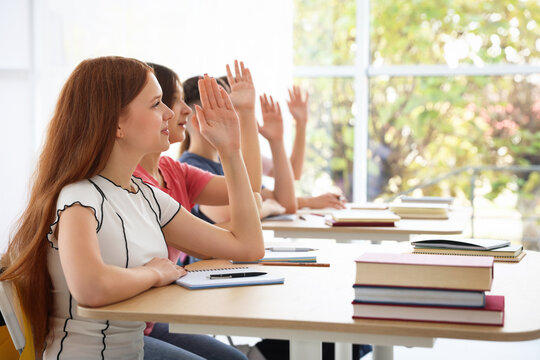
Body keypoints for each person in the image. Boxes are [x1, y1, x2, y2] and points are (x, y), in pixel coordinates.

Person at [0, 56, 263, 359]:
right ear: (116, 124)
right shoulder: (77, 199)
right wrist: (152, 273)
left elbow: (247, 246)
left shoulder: (147, 196)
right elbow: (91, 287)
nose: (167, 113)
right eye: (155, 104)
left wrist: (230, 150)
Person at [133, 62, 261, 359]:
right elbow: (247, 243)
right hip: (128, 325)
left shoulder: (173, 169)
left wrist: (243, 120)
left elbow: (249, 190)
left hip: (150, 319)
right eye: (170, 100)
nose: (183, 110)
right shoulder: (137, 185)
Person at [180, 63, 296, 224]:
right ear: (198, 120)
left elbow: (285, 204)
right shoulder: (190, 167)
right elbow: (238, 215)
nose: (234, 119)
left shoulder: (224, 163)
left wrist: (276, 141)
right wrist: (268, 207)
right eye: (227, 111)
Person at [263, 85, 346, 210]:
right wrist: (309, 201)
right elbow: (277, 202)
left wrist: (301, 123)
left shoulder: (244, 153)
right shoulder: (224, 161)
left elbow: (293, 172)